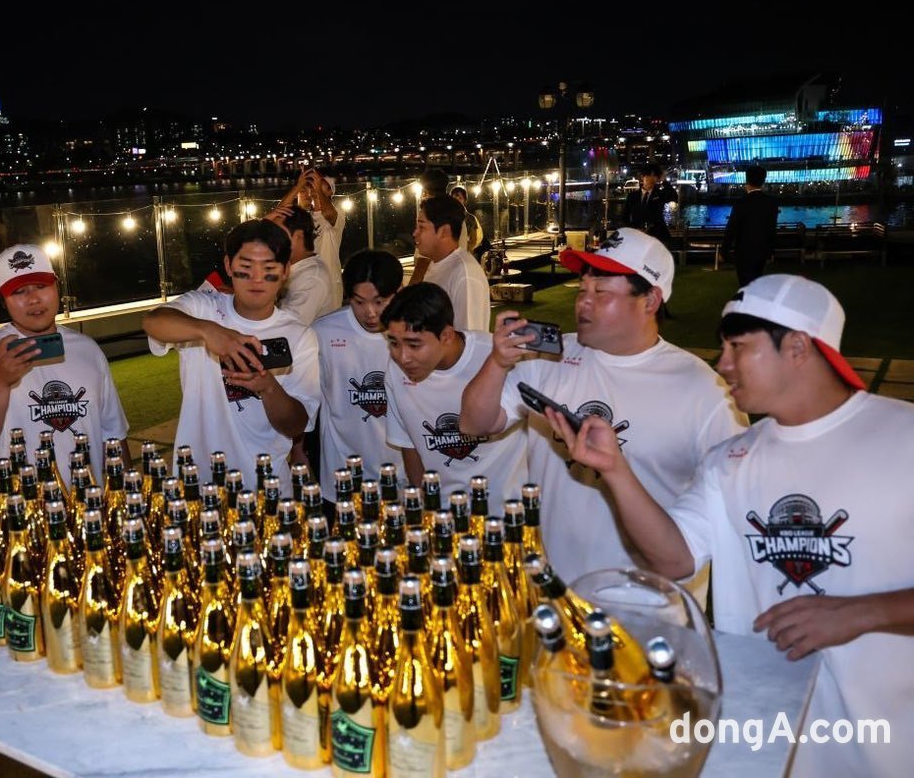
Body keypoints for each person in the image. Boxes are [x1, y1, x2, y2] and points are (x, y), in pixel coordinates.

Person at [546, 274, 914, 777]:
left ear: (800, 347)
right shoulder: (732, 460)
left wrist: (862, 612)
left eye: (738, 347)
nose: (723, 364)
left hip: (882, 745)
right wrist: (615, 471)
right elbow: (672, 559)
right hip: (760, 740)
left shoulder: (902, 438)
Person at [459, 227, 746, 584]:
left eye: (601, 292)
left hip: (650, 602)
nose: (584, 302)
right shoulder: (550, 356)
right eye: (582, 290)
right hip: (555, 588)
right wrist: (497, 364)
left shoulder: (705, 390)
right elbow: (474, 423)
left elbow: (738, 505)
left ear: (651, 300)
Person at [143, 219, 320, 488]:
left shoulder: (299, 335)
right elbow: (153, 321)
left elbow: (295, 425)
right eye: (246, 267)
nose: (257, 279)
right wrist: (208, 331)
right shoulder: (205, 308)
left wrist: (268, 387)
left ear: (285, 271)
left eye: (269, 268)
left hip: (266, 487)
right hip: (199, 484)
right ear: (228, 265)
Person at [0, 244, 129, 478]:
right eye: (18, 292)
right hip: (23, 507)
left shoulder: (87, 349)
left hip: (89, 504)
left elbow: (114, 433)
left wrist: (130, 491)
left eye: (41, 286)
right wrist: (0, 381)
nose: (34, 299)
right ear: (3, 300)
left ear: (56, 286)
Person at [382, 282, 526, 501]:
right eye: (393, 343)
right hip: (443, 516)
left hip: (508, 510)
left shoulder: (498, 357)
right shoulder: (395, 372)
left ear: (446, 336)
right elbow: (409, 445)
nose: (403, 357)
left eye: (414, 345)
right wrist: (424, 507)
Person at [312, 249, 405, 493]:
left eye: (380, 301)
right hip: (342, 477)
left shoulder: (416, 334)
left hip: (403, 475)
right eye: (359, 302)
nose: (370, 313)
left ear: (399, 292)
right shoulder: (324, 332)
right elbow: (309, 402)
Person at [414, 194, 491, 332]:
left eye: (422, 227)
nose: (415, 233)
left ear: (444, 231)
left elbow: (469, 337)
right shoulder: (436, 264)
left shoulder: (465, 274)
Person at [277, 168, 345, 302]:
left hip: (328, 287)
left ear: (330, 191)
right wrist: (298, 187)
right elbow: (278, 215)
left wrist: (317, 190)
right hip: (299, 286)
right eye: (309, 187)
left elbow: (329, 215)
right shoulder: (301, 218)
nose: (313, 189)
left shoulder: (338, 215)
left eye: (321, 185)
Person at [268, 204, 337, 324]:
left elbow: (286, 327)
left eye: (278, 235)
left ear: (298, 235)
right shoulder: (293, 268)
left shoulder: (313, 277)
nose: (271, 242)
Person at [724, 164, 780, 287]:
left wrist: (724, 250)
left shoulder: (741, 202)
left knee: (744, 283)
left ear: (747, 181)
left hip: (743, 251)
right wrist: (771, 251)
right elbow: (771, 229)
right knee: (756, 280)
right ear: (763, 181)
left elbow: (731, 228)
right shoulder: (772, 203)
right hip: (761, 251)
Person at [408, 167, 451, 286]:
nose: (415, 233)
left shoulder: (434, 214)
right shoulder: (455, 211)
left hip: (436, 286)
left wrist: (408, 293)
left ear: (426, 190)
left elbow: (423, 261)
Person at [620, 162, 678, 247]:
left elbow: (674, 196)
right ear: (643, 177)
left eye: (654, 176)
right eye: (649, 175)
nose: (652, 178)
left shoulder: (660, 194)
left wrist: (664, 181)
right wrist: (635, 229)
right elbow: (624, 217)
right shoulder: (632, 196)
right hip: (637, 237)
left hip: (658, 236)